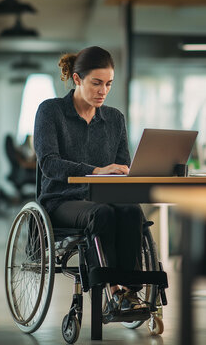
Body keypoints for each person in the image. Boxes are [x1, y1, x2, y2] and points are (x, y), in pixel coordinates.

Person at [33, 46, 145, 312]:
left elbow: (123, 165)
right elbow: (49, 164)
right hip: (61, 201)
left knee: (131, 212)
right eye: (96, 83)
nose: (103, 91)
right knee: (102, 214)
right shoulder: (51, 111)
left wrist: (125, 172)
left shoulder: (115, 119)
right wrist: (96, 171)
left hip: (104, 197)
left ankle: (130, 291)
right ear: (77, 79)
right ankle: (112, 290)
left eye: (108, 84)